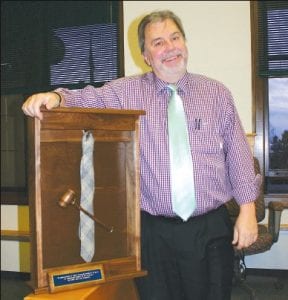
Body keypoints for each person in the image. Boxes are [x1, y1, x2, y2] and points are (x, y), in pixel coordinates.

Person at [22, 10, 261, 300]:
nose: (170, 47)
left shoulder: (217, 94)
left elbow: (237, 153)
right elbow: (89, 98)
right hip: (153, 233)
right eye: (158, 42)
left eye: (175, 38)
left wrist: (248, 209)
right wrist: (57, 98)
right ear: (146, 55)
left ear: (185, 43)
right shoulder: (127, 91)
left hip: (209, 228)